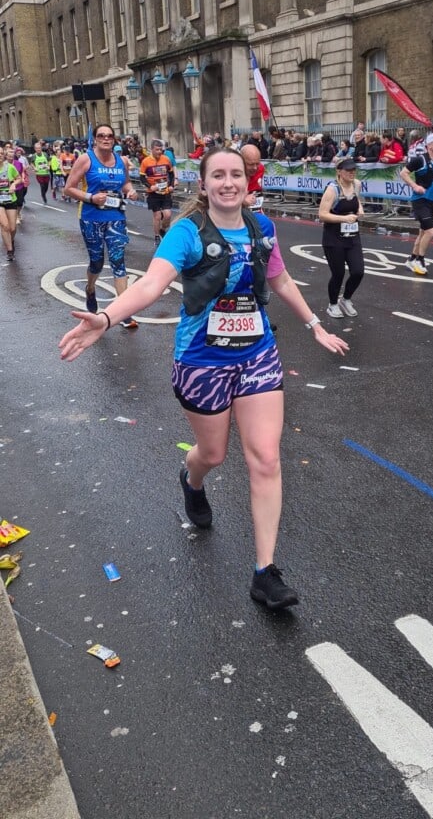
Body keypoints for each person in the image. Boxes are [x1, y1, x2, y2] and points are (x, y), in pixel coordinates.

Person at [59, 147, 349, 610]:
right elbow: (152, 285)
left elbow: (280, 281)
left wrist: (316, 325)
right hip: (202, 360)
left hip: (257, 354)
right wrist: (107, 319)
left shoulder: (262, 229)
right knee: (212, 453)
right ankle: (192, 479)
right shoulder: (187, 232)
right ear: (205, 183)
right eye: (219, 175)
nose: (229, 182)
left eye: (236, 174)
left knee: (266, 459)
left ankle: (265, 572)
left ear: (247, 180)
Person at [63, 123, 140, 328]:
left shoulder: (121, 160)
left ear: (114, 139)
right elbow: (68, 189)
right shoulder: (86, 159)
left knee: (118, 260)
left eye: (109, 136)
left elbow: (125, 183)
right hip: (91, 218)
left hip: (116, 217)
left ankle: (123, 312)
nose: (106, 139)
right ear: (95, 139)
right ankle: (90, 288)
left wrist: (130, 191)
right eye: (101, 135)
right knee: (97, 262)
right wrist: (91, 197)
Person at [318, 157, 365, 318]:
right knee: (338, 274)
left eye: (354, 170)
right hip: (333, 238)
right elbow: (322, 214)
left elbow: (357, 200)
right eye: (348, 170)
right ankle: (332, 304)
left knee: (358, 271)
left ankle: (346, 299)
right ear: (339, 172)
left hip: (352, 236)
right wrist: (344, 218)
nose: (352, 173)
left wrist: (360, 209)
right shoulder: (333, 190)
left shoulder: (357, 184)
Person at [400, 132, 433, 276]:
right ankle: (420, 260)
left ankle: (412, 258)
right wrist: (414, 186)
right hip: (419, 200)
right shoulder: (419, 160)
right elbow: (403, 173)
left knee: (422, 232)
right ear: (429, 145)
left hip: (432, 200)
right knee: (430, 232)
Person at [140, 139, 177, 246]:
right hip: (153, 193)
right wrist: (150, 186)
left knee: (168, 215)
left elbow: (171, 174)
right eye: (157, 150)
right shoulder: (146, 161)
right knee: (157, 216)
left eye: (161, 150)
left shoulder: (166, 159)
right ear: (152, 149)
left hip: (165, 192)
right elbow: (142, 177)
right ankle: (156, 236)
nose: (159, 152)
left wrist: (171, 186)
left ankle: (162, 229)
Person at [0, 144, 19, 261]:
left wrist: (13, 184)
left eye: (2, 154)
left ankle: (11, 240)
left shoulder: (10, 167)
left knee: (12, 228)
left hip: (10, 199)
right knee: (4, 225)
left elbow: (18, 178)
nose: (0, 156)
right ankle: (10, 250)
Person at [240, 143, 266, 209]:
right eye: (250, 164)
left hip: (254, 210)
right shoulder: (231, 173)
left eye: (257, 163)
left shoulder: (260, 168)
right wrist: (242, 201)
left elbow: (258, 190)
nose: (255, 168)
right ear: (241, 161)